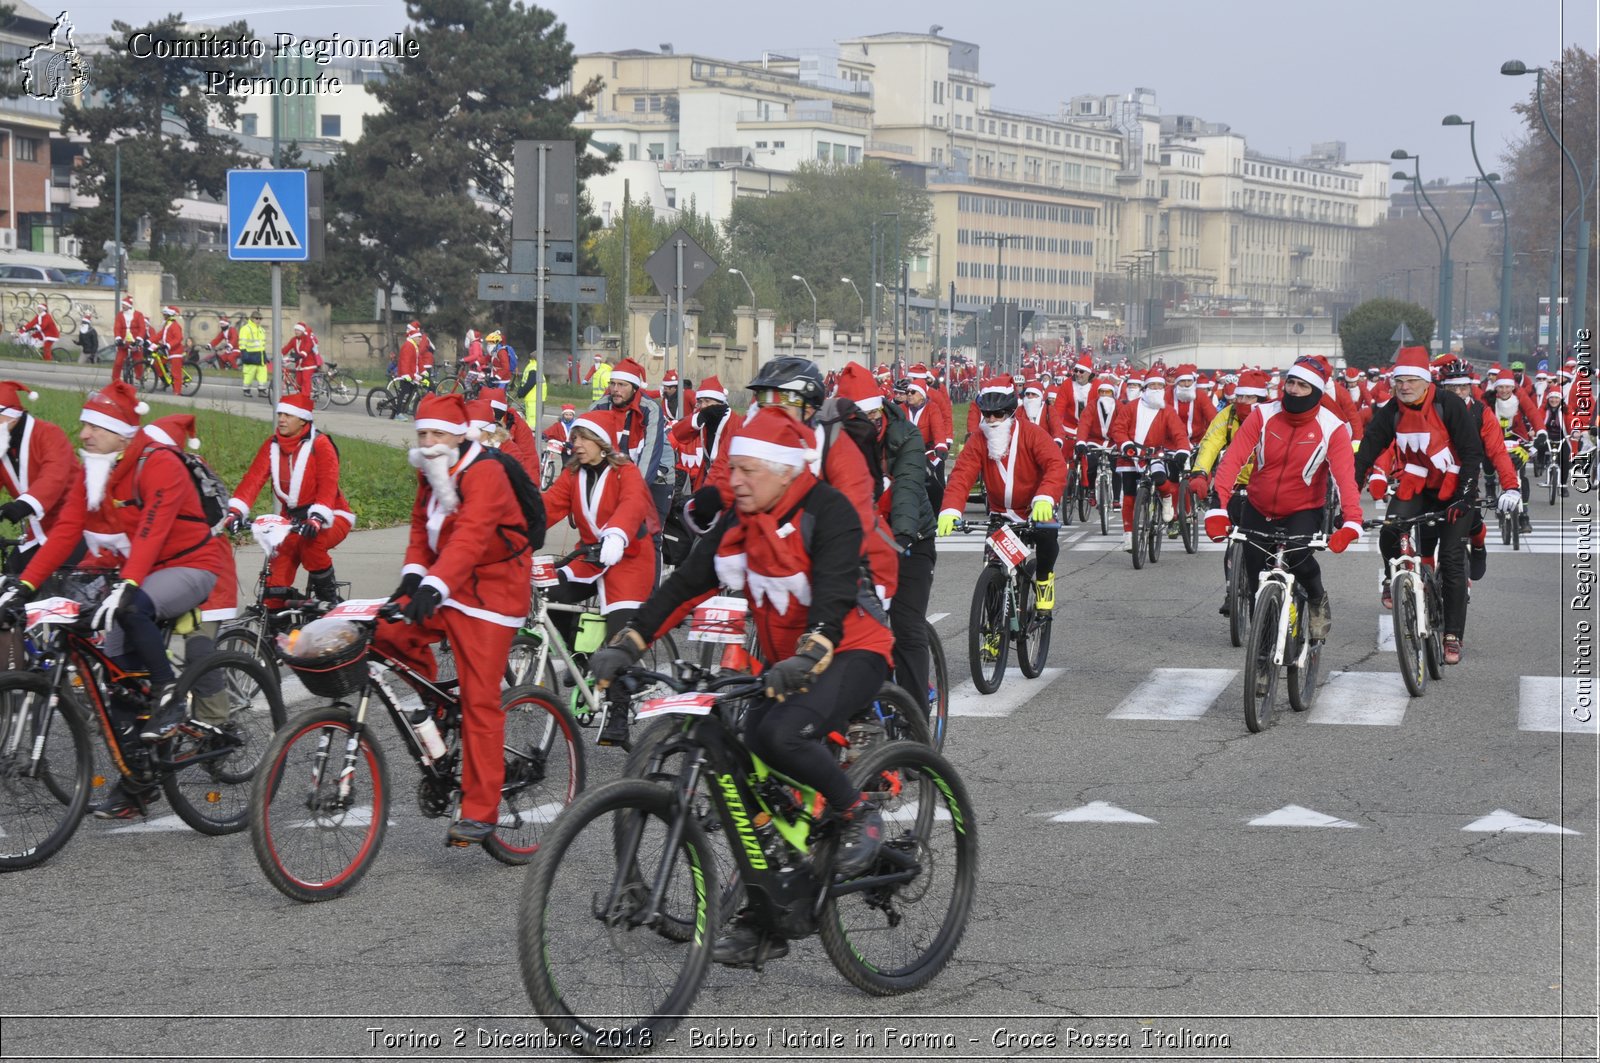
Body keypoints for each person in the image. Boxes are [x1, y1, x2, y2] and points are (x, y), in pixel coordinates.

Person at [590, 408, 894, 966]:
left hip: (850, 648)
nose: (736, 481)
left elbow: (831, 599)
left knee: (779, 734)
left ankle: (857, 815)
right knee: (736, 756)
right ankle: (768, 910)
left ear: (783, 471)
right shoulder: (738, 522)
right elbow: (683, 586)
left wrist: (811, 653)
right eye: (732, 469)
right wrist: (629, 643)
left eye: (749, 470)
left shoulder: (827, 511)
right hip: (785, 664)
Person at [379, 393, 536, 845]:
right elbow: (417, 526)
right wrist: (413, 578)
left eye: (438, 434)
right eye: (422, 433)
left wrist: (434, 584)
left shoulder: (485, 471)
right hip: (450, 582)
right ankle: (436, 702)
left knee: (481, 699)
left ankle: (482, 809)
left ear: (458, 435)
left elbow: (471, 536)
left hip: (493, 593)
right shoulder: (431, 468)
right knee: (387, 631)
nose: (428, 442)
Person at [76, 387, 234, 814]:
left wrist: (126, 585)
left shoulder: (159, 462)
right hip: (145, 571)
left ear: (118, 431)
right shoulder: (104, 468)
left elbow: (151, 532)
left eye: (93, 426)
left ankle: (168, 694)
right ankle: (138, 784)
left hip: (192, 566)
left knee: (131, 608)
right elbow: (86, 532)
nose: (84, 434)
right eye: (84, 425)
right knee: (117, 676)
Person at [1205, 357, 1364, 641]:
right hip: (1258, 505)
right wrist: (1217, 508)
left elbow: (1344, 480)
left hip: (1302, 510)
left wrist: (1352, 522)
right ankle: (1263, 656)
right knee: (1255, 583)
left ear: (1315, 391)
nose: (1292, 389)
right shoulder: (1262, 414)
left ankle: (1316, 598)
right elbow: (1233, 460)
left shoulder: (1333, 427)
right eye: (1290, 382)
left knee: (1299, 559)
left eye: (1302, 385)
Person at [1354, 346, 1488, 666]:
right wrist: (1349, 494)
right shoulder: (1393, 410)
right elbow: (1368, 450)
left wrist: (1465, 496)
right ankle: (1394, 577)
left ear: (1427, 382)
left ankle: (1452, 634)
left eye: (1412, 380)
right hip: (1417, 483)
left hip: (1455, 486)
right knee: (1390, 532)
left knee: (1453, 557)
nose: (1405, 386)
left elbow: (1472, 453)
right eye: (1399, 380)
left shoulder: (1450, 405)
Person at [538, 410, 658, 746]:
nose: (575, 444)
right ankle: (581, 662)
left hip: (629, 560)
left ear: (602, 443)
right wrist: (512, 529)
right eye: (573, 438)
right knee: (548, 592)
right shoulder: (573, 475)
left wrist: (618, 534)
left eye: (582, 438)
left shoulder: (625, 472)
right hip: (591, 558)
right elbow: (548, 507)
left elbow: (633, 504)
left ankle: (619, 714)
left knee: (618, 633)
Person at [840, 363, 936, 709]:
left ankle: (916, 729)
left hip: (910, 537)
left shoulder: (905, 435)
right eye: (858, 419)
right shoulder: (835, 440)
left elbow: (909, 486)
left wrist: (904, 536)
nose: (869, 424)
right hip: (860, 539)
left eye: (873, 416)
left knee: (908, 629)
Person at [937, 375, 1067, 609]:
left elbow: (1055, 464)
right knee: (993, 571)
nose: (993, 420)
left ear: (1011, 412)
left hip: (1034, 508)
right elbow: (962, 474)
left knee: (1048, 538)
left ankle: (1045, 580)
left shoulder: (1033, 434)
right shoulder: (979, 439)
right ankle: (994, 628)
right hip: (1001, 514)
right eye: (987, 415)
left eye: (999, 414)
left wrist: (1046, 496)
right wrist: (951, 509)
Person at [226, 391, 351, 605]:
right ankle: (277, 623)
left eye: (287, 415)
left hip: (331, 515)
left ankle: (328, 602)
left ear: (303, 419)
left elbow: (328, 486)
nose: (281, 419)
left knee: (310, 545)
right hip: (292, 521)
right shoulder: (272, 445)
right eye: (280, 414)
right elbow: (253, 480)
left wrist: (317, 518)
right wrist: (236, 511)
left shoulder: (320, 445)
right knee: (275, 575)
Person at [0, 382, 88, 616]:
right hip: (39, 531)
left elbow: (54, 476)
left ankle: (74, 645)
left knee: (66, 595)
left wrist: (24, 504)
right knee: (9, 583)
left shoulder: (48, 433)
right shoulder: (2, 444)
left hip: (76, 528)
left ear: (9, 417)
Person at [1434, 357, 1522, 581]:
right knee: (1421, 529)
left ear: (1470, 387)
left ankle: (1479, 546)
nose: (1458, 392)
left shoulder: (1482, 413)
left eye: (1463, 386)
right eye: (1452, 388)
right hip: (1434, 477)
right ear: (1443, 388)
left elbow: (1497, 452)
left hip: (1466, 479)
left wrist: (1511, 487)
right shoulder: (1433, 411)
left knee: (1472, 522)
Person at [1188, 369, 1269, 614]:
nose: (1242, 403)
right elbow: (1210, 444)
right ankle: (1230, 590)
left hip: (1267, 488)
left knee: (1267, 542)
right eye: (1239, 397)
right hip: (1233, 485)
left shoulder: (1273, 416)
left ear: (1261, 399)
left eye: (1249, 398)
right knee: (1233, 539)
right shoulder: (1227, 415)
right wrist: (1200, 473)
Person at [1107, 371, 1189, 551]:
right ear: (1145, 388)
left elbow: (1179, 432)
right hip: (1131, 452)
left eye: (1160, 386)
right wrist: (1126, 444)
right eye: (1153, 386)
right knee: (1128, 494)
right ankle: (1128, 534)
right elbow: (1118, 428)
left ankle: (1166, 498)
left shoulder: (1167, 410)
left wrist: (1182, 449)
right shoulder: (1131, 407)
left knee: (1160, 477)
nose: (1157, 389)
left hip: (1155, 453)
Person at [590, 357, 669, 525]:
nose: (615, 390)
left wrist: (630, 494)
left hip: (654, 478)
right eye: (613, 383)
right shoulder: (599, 407)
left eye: (622, 385)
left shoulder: (651, 409)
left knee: (648, 534)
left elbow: (649, 457)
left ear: (634, 388)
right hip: (613, 479)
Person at [391, 321, 428, 418]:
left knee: (412, 392)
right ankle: (398, 414)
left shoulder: (414, 346)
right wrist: (405, 374)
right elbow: (404, 361)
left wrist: (423, 370)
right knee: (403, 393)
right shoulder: (408, 346)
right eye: (419, 337)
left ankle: (405, 409)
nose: (421, 339)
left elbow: (418, 360)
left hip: (412, 374)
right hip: (406, 374)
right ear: (414, 337)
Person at [112, 296, 149, 384]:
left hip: (135, 340)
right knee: (118, 362)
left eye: (124, 305)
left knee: (138, 360)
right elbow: (117, 327)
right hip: (124, 341)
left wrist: (139, 339)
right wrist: (118, 338)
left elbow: (142, 328)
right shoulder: (120, 315)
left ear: (129, 306)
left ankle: (140, 378)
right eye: (122, 305)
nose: (123, 306)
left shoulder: (138, 315)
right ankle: (115, 380)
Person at [282, 321, 321, 399]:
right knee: (298, 382)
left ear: (303, 331)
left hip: (309, 364)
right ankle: (301, 396)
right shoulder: (294, 340)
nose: (296, 331)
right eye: (295, 330)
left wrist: (300, 355)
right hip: (299, 365)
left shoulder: (308, 339)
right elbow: (286, 348)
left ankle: (305, 398)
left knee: (305, 379)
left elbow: (306, 349)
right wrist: (278, 355)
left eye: (298, 330)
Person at [152, 306, 185, 395]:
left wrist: (168, 345)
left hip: (175, 352)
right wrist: (148, 341)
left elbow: (178, 338)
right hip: (168, 351)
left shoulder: (175, 326)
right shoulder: (167, 325)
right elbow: (159, 335)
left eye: (165, 314)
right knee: (157, 364)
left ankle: (177, 391)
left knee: (176, 372)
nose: (163, 316)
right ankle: (165, 381)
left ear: (169, 315)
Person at [238, 311, 268, 397]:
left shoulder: (262, 330)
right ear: (252, 318)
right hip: (250, 355)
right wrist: (244, 353)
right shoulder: (245, 328)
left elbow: (262, 344)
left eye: (260, 319)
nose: (258, 320)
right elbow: (242, 342)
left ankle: (261, 390)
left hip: (260, 355)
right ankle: (246, 390)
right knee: (249, 374)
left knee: (263, 374)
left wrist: (264, 355)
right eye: (256, 318)